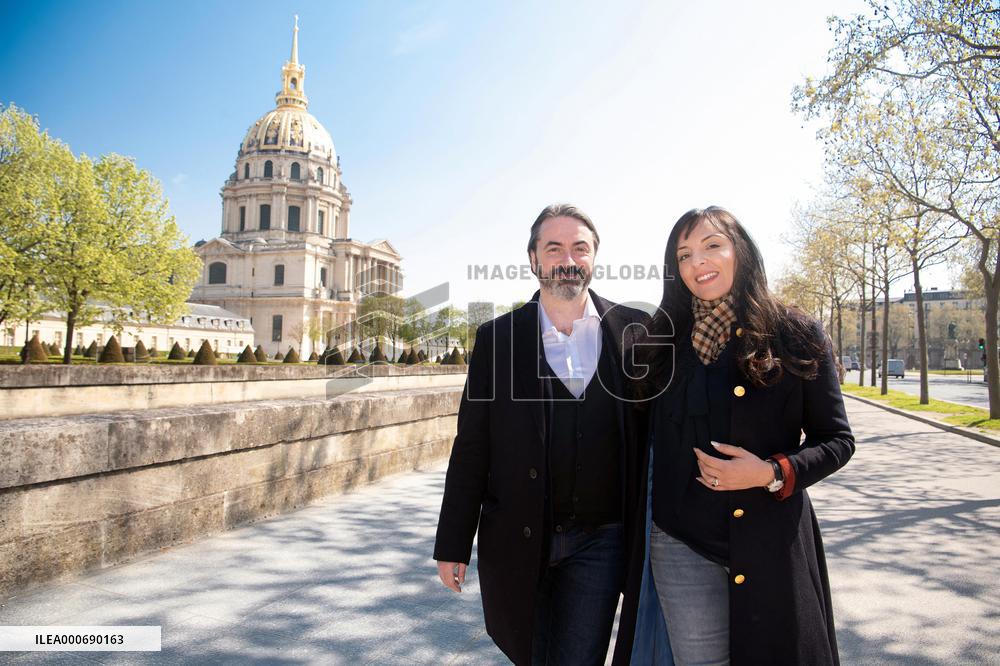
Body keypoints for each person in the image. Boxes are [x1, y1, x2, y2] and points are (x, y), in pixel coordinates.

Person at [615, 206, 855, 665]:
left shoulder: (795, 333)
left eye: (711, 246)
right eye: (683, 255)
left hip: (768, 543)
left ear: (739, 251)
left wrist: (769, 472)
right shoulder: (656, 341)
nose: (697, 263)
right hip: (679, 543)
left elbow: (837, 440)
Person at [433, 204, 650, 665]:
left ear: (594, 258)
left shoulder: (636, 331)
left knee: (579, 657)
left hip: (602, 540)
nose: (567, 259)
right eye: (554, 248)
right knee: (529, 652)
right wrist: (452, 543)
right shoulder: (497, 339)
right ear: (533, 259)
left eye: (579, 248)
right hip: (518, 536)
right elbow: (472, 447)